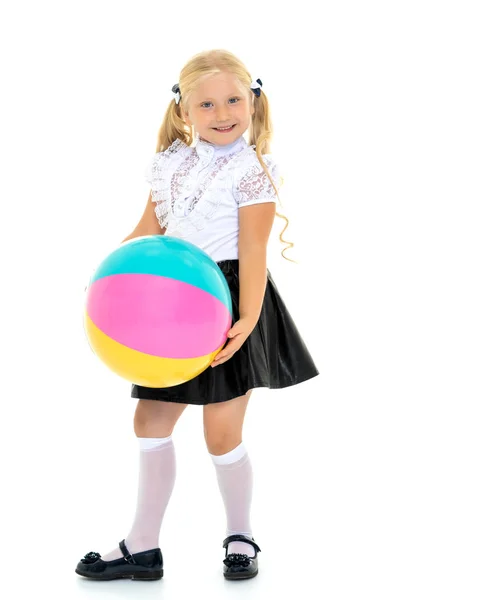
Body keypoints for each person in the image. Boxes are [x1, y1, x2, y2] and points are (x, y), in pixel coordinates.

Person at [76, 48, 319, 582]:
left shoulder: (253, 171)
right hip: (166, 307)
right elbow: (147, 230)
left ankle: (240, 535)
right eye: (206, 104)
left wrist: (248, 321)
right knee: (149, 420)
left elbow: (255, 252)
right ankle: (142, 545)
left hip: (228, 303)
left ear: (253, 103)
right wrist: (105, 278)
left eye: (233, 99)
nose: (222, 112)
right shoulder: (168, 164)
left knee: (222, 432)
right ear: (184, 111)